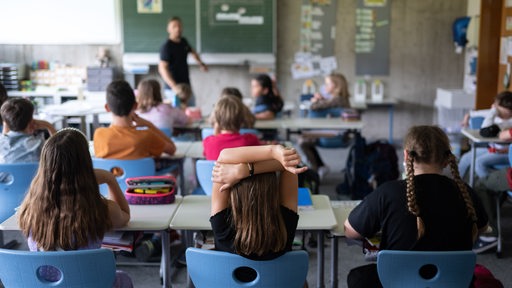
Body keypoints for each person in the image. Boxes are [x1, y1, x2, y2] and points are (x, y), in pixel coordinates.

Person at [343, 125, 489, 288]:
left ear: (406, 155)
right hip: (453, 281)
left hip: (396, 281)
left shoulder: (388, 192)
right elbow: (482, 228)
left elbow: (351, 231)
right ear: (447, 159)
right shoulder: (466, 192)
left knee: (358, 278)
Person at [18, 128, 133, 288]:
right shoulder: (100, 209)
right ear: (86, 163)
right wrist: (110, 179)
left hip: (44, 285)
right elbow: (125, 216)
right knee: (123, 278)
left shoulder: (29, 209)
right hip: (90, 283)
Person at [210, 145, 308, 262]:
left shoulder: (221, 224)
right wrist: (245, 171)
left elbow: (223, 156)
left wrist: (245, 170)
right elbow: (290, 162)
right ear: (274, 187)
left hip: (223, 281)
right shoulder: (286, 221)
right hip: (277, 281)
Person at [93, 80, 177, 171]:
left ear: (107, 108)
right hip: (141, 184)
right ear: (135, 106)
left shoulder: (99, 135)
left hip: (111, 185)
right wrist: (149, 125)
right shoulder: (146, 135)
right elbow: (172, 149)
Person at [299, 73, 351, 178]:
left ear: (337, 86)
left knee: (303, 141)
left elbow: (314, 107)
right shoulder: (337, 99)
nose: (325, 86)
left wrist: (316, 100)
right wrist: (321, 99)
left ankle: (315, 170)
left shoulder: (338, 99)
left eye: (328, 84)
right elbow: (327, 104)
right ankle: (320, 166)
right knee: (304, 139)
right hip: (331, 132)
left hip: (336, 135)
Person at [458, 91, 512, 179]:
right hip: (492, 148)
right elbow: (471, 114)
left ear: (509, 110)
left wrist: (493, 112)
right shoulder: (495, 113)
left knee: (478, 163)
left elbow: (485, 131)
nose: (495, 107)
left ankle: (492, 185)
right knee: (465, 158)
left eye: (498, 107)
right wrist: (465, 120)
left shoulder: (509, 121)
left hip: (505, 152)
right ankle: (456, 184)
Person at [158, 17, 208, 106]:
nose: (177, 28)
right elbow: (162, 69)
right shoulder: (167, 47)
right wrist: (174, 87)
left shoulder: (183, 42)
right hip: (173, 89)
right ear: (168, 29)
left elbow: (193, 52)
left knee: (191, 109)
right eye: (174, 26)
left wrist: (201, 64)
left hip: (186, 86)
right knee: (175, 114)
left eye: (179, 26)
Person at [0, 98, 56, 163]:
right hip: (33, 173)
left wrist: (7, 124)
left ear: (5, 123)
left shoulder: (1, 142)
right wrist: (48, 125)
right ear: (31, 122)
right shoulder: (39, 145)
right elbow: (58, 153)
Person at [203, 96, 260, 160]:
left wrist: (216, 130)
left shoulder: (207, 142)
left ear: (216, 118)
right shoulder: (251, 140)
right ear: (242, 118)